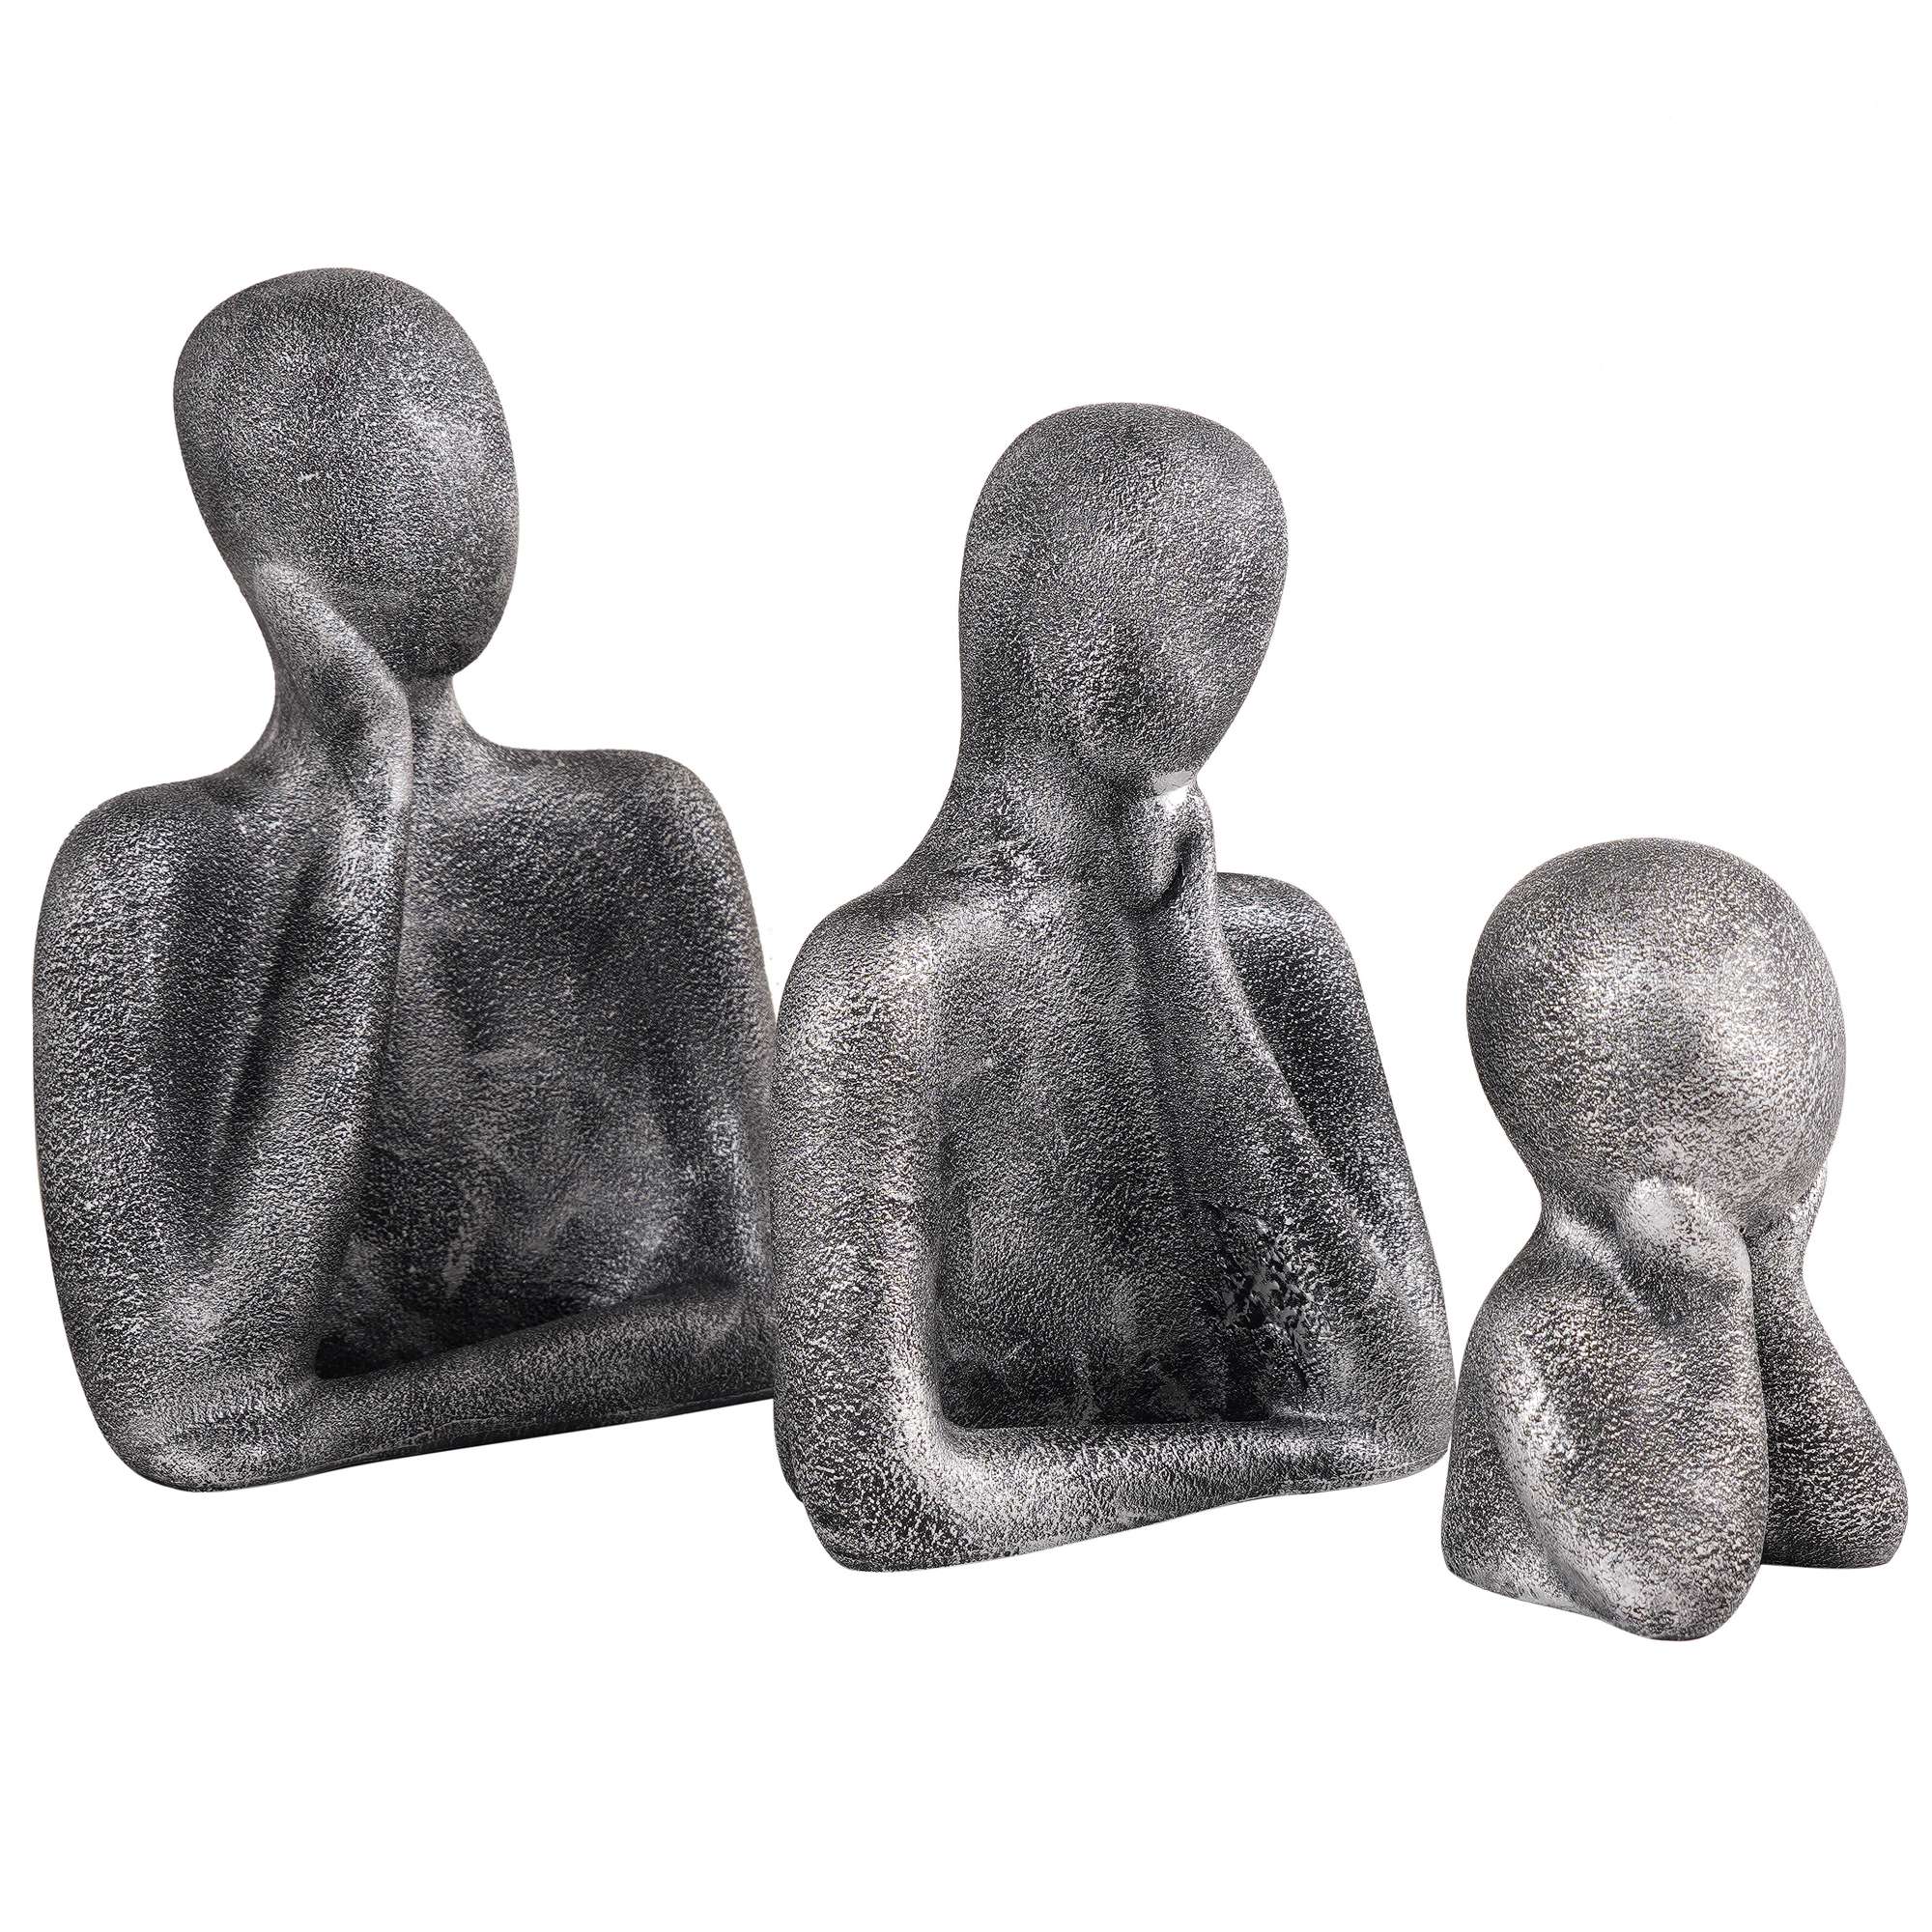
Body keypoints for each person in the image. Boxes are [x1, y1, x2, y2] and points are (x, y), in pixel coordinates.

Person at [36, 269, 773, 1488]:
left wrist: (321, 1429)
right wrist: (361, 836)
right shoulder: (146, 875)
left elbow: (774, 1312)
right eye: (385, 460)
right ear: (259, 539)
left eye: (476, 443)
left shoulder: (643, 825)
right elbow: (178, 1412)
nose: (465, 500)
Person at [774, 404, 1454, 1568]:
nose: (1224, 656)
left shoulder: (1277, 950)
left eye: (1244, 612)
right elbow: (870, 1491)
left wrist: (1189, 975)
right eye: (1191, 606)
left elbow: (1402, 1399)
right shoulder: (880, 980)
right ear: (1030, 619)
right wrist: (1281, 1457)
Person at [1444, 838, 1908, 1636]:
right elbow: (1676, 1594)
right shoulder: (1542, 1325)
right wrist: (1711, 1317)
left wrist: (1779, 1290)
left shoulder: (1717, 1269)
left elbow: (1858, 1518)